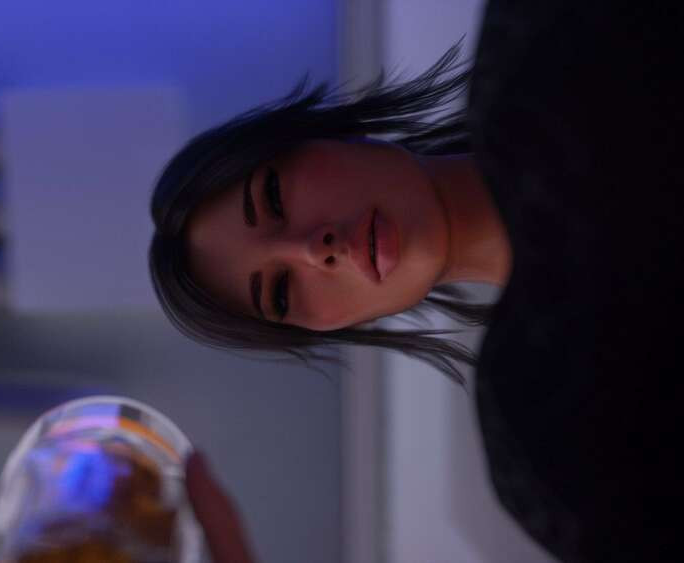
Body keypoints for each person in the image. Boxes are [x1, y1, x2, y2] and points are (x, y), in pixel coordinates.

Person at [149, 2, 683, 562]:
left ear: (317, 134)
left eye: (275, 198)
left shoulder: (543, 40)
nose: (313, 249)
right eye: (281, 293)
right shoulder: (545, 435)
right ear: (325, 328)